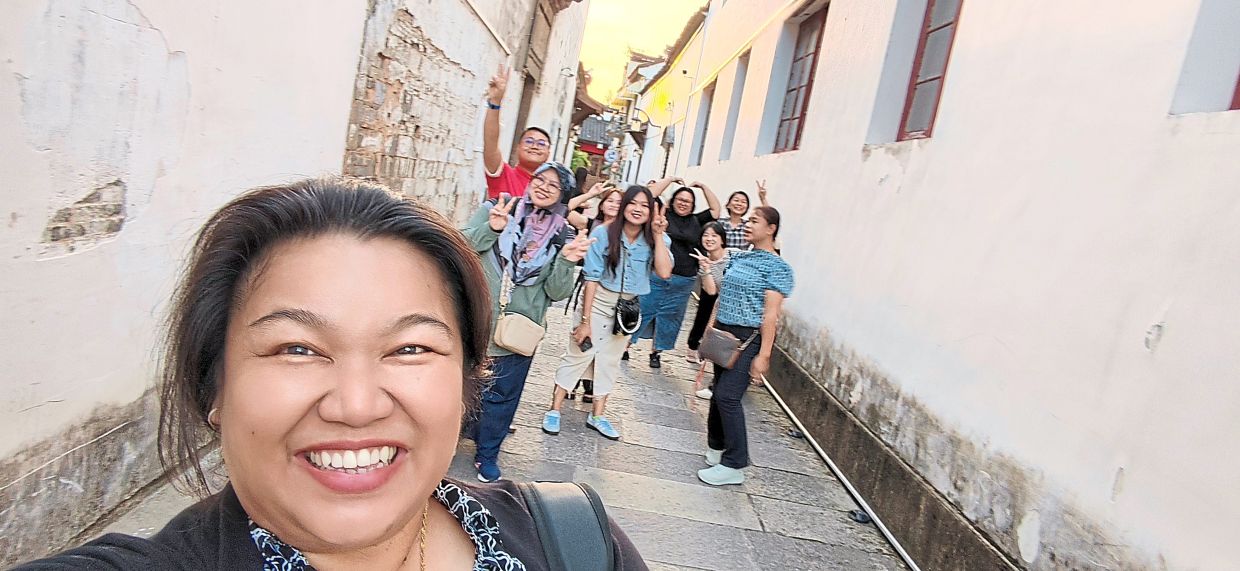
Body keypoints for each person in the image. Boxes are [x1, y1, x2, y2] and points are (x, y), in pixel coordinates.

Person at [15, 178, 647, 569]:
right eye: (296, 348)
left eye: (409, 349)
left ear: (464, 382)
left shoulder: (578, 544)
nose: (356, 403)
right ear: (215, 388)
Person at [461, 161, 593, 483]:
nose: (544, 187)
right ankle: (456, 434)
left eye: (554, 185)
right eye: (540, 179)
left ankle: (487, 452)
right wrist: (491, 229)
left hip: (521, 329)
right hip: (478, 319)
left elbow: (557, 292)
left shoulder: (562, 232)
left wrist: (565, 261)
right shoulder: (498, 208)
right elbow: (462, 246)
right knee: (462, 387)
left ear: (563, 194)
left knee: (503, 395)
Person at [542, 185, 672, 440]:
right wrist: (585, 321)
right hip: (599, 300)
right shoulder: (603, 233)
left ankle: (598, 415)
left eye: (645, 205)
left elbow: (665, 272)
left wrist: (658, 236)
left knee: (610, 360)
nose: (638, 209)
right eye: (632, 203)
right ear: (624, 206)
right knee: (579, 352)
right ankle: (554, 409)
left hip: (629, 308)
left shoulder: (657, 239)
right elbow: (590, 278)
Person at [697, 206, 794, 487]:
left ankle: (735, 464)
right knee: (718, 393)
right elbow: (721, 294)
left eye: (755, 221)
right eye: (748, 220)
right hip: (724, 332)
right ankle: (716, 447)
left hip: (748, 336)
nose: (748, 225)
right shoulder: (739, 257)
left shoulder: (778, 268)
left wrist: (764, 355)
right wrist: (711, 328)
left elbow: (771, 314)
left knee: (728, 396)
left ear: (771, 228)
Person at [630, 179, 720, 368]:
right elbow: (650, 194)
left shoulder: (697, 221)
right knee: (644, 310)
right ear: (672, 201)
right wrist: (670, 179)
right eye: (679, 199)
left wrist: (704, 186)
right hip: (656, 275)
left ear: (693, 205)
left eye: (687, 201)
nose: (683, 203)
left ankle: (656, 352)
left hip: (684, 279)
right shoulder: (664, 213)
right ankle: (626, 345)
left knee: (670, 318)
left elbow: (716, 210)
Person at [567, 185, 623, 403]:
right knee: (581, 334)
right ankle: (572, 380)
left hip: (612, 295)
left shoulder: (629, 232)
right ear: (602, 203)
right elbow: (567, 209)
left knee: (603, 340)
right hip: (589, 288)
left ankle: (590, 383)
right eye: (610, 200)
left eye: (619, 202)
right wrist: (589, 194)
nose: (614, 205)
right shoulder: (592, 224)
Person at [482, 64, 552, 201]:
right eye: (529, 141)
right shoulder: (504, 175)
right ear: (517, 148)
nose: (535, 146)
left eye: (541, 143)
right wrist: (495, 102)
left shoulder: (550, 191)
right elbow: (490, 143)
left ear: (549, 153)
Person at [684, 222, 729, 376]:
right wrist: (706, 269)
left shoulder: (733, 255)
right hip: (722, 307)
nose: (709, 239)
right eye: (705, 235)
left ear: (722, 239)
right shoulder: (705, 262)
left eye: (714, 235)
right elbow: (711, 291)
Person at [716, 179, 771, 249]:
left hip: (742, 259)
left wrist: (763, 198)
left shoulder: (748, 225)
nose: (739, 204)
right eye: (736, 200)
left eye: (743, 202)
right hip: (721, 259)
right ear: (728, 205)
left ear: (747, 207)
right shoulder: (720, 223)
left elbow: (769, 219)